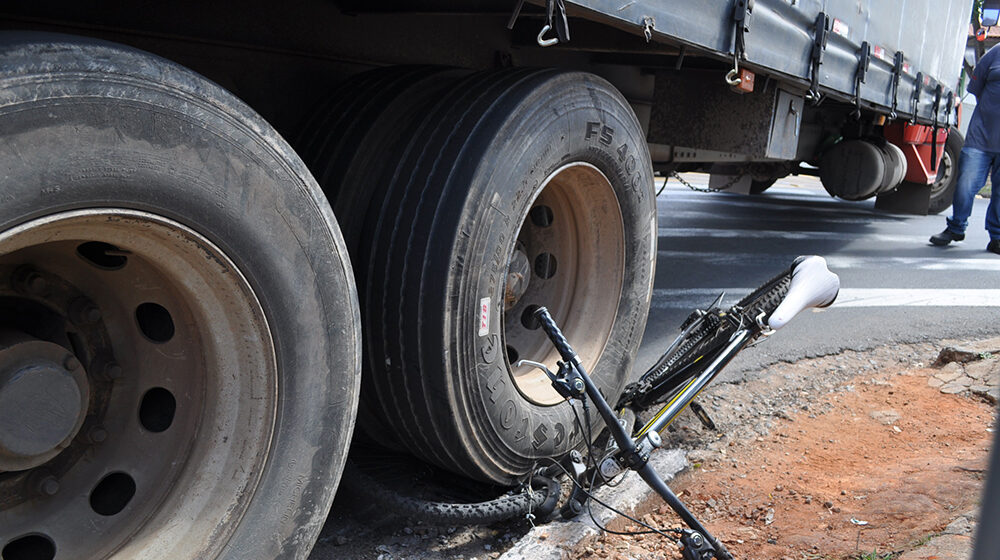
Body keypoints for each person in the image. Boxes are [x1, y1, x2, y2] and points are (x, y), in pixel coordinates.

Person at [929, 44, 1000, 254]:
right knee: (966, 184)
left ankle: (997, 237)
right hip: (981, 136)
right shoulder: (995, 53)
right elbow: (977, 88)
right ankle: (956, 228)